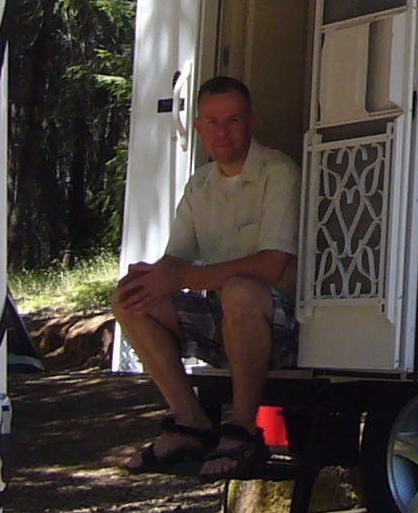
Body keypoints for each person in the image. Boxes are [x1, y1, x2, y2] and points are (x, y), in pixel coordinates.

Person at [113, 75, 299, 480]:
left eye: (232, 120)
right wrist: (153, 277)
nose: (222, 132)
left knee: (239, 291)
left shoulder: (278, 172)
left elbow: (271, 267)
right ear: (197, 127)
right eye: (211, 122)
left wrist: (182, 275)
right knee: (129, 296)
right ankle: (189, 421)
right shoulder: (199, 184)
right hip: (222, 320)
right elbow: (174, 260)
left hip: (281, 327)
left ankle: (242, 430)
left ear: (250, 122)